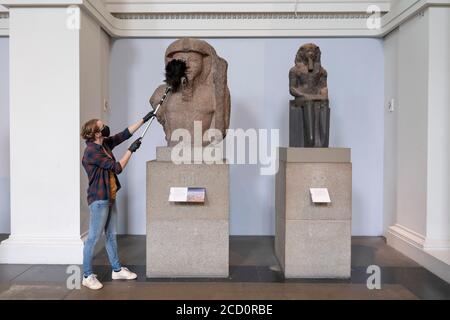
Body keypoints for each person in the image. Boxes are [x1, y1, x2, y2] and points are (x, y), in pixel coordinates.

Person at [80, 110, 154, 290]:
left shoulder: (103, 144)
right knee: (93, 238)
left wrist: (144, 119)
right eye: (102, 126)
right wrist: (131, 150)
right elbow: (117, 167)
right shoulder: (91, 151)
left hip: (110, 196)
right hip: (99, 199)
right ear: (96, 133)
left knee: (111, 235)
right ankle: (87, 275)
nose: (105, 127)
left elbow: (124, 134)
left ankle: (117, 269)